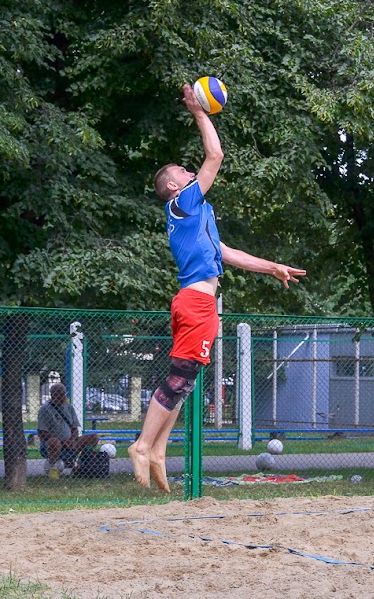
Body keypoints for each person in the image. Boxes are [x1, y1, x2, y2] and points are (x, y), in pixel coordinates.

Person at [128, 83, 307, 492]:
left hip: (196, 301)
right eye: (182, 173)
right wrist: (198, 111)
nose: (190, 173)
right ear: (174, 187)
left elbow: (230, 254)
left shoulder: (199, 216)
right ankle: (141, 445)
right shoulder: (183, 203)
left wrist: (273, 266)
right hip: (195, 302)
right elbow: (216, 155)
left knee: (185, 380)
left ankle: (158, 451)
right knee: (180, 377)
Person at [37, 383, 99, 479]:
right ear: (52, 395)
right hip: (52, 443)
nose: (61, 397)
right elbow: (42, 432)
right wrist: (62, 442)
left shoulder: (69, 408)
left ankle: (81, 466)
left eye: (62, 394)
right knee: (54, 442)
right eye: (58, 394)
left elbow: (74, 428)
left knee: (93, 437)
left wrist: (73, 440)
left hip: (70, 442)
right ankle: (54, 470)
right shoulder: (45, 410)